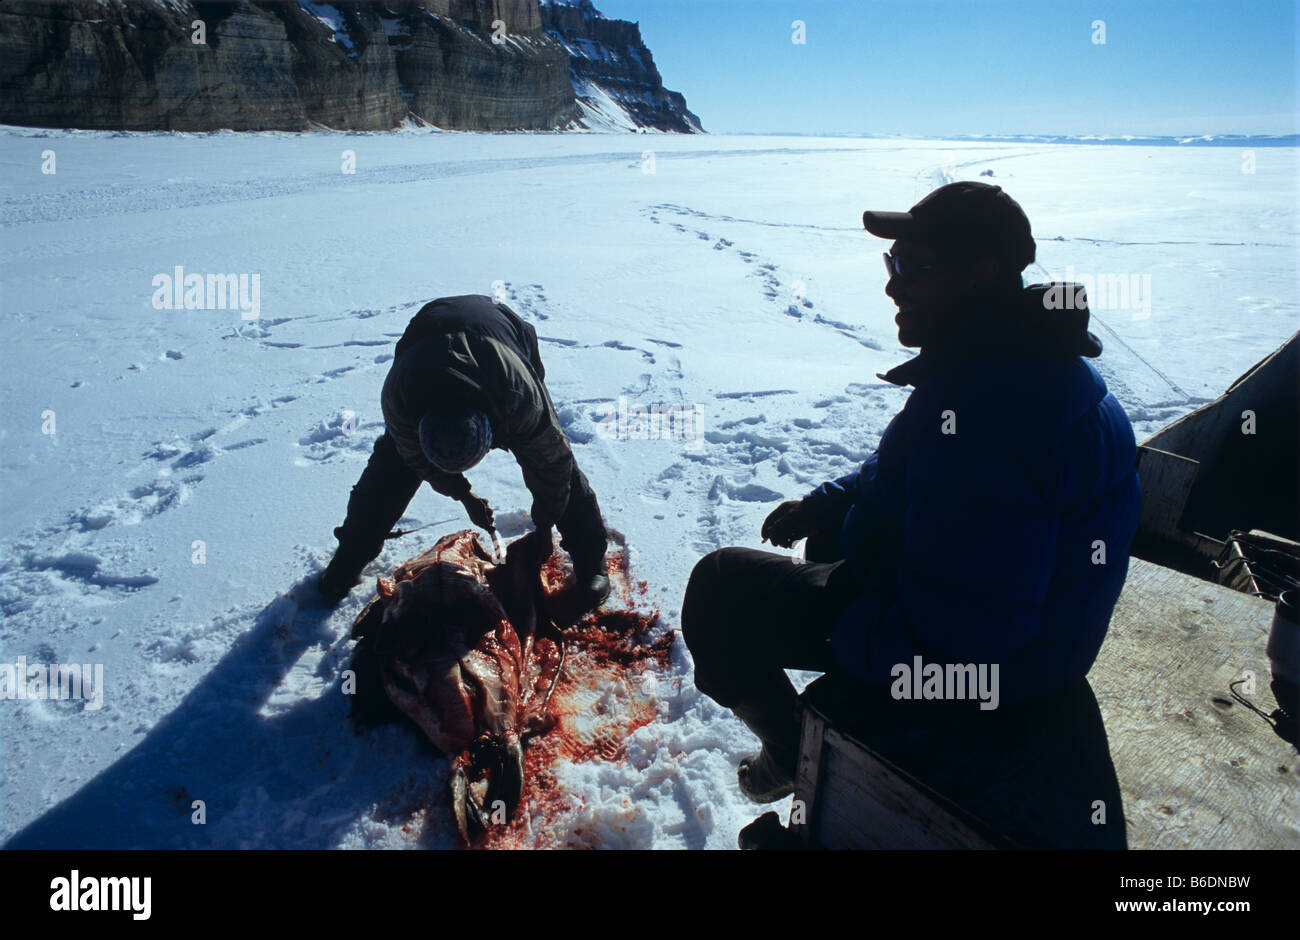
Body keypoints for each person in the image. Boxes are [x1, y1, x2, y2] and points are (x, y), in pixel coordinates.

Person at [680, 182, 1141, 802]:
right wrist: (832, 499)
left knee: (719, 590)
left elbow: (968, 637)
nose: (893, 285)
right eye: (891, 264)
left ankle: (794, 748)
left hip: (993, 676)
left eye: (913, 266)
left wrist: (845, 668)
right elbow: (910, 470)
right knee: (826, 536)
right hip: (1031, 638)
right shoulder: (1015, 364)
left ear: (982, 273)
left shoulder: (989, 417)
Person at [317, 294, 610, 606]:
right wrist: (463, 494)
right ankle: (349, 559)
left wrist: (544, 523)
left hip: (504, 336)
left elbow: (553, 465)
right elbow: (414, 458)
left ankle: (591, 561)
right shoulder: (400, 402)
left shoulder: (517, 398)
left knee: (550, 456)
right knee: (388, 472)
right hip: (425, 332)